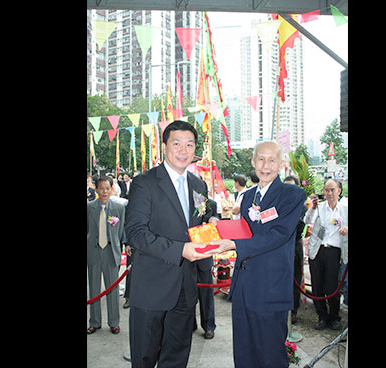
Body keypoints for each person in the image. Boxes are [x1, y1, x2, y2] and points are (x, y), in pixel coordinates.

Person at [124, 120, 219, 368]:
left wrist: (212, 220)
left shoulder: (198, 184)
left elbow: (201, 215)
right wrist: (180, 250)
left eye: (189, 144)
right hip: (151, 288)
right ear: (164, 146)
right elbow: (135, 233)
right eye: (176, 143)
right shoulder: (144, 183)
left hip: (185, 289)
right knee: (144, 358)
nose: (183, 150)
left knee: (177, 356)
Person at [211, 141, 306, 368]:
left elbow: (278, 235)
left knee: (271, 355)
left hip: (271, 287)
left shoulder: (292, 195)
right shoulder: (248, 196)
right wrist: (218, 227)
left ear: (281, 164)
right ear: (253, 163)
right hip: (244, 284)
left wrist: (234, 245)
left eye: (272, 160)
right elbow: (244, 230)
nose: (266, 165)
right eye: (260, 159)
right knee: (244, 352)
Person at [304, 178, 348, 330]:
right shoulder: (320, 207)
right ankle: (322, 316)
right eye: (326, 190)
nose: (329, 193)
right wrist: (312, 208)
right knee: (317, 286)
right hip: (317, 250)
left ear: (339, 191)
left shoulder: (345, 208)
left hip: (334, 251)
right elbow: (306, 220)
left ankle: (334, 317)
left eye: (332, 190)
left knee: (332, 287)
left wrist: (347, 227)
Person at [87, 175, 127, 335]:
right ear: (95, 189)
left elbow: (123, 229)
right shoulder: (89, 207)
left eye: (107, 188)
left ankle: (114, 322)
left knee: (112, 288)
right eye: (101, 188)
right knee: (94, 288)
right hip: (94, 252)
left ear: (112, 189)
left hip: (111, 252)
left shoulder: (119, 208)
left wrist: (127, 245)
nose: (104, 191)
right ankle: (94, 322)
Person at [283, 175, 308, 324]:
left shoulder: (303, 207)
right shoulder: (278, 205)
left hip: (294, 245)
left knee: (295, 280)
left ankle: (293, 311)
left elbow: (298, 226)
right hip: (279, 247)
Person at [193, 197, 218, 339]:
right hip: (184, 254)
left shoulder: (210, 204)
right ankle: (190, 323)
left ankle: (209, 326)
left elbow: (213, 217)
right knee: (186, 293)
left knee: (206, 294)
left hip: (203, 254)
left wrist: (213, 220)